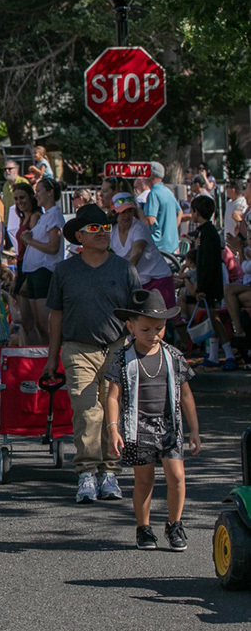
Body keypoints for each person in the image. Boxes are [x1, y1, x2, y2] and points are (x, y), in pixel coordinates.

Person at [44, 203, 141, 504]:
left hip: (117, 348)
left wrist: (140, 351)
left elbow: (138, 315)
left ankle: (109, 471)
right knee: (87, 410)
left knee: (112, 413)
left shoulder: (125, 268)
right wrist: (51, 358)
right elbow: (55, 316)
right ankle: (87, 471)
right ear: (80, 237)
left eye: (106, 228)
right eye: (95, 229)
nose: (103, 233)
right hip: (77, 349)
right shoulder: (64, 270)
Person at [104, 289, 201, 551]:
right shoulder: (123, 358)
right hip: (138, 428)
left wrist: (194, 429)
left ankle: (175, 524)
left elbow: (186, 394)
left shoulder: (173, 356)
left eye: (158, 329)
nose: (153, 335)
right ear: (130, 326)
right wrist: (113, 429)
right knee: (144, 480)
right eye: (145, 329)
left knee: (177, 476)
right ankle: (144, 529)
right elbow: (113, 396)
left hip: (170, 426)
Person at [185, 195, 235, 370]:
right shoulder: (208, 232)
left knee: (214, 318)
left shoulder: (207, 234)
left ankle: (228, 354)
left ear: (197, 212)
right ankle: (213, 354)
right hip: (212, 284)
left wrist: (202, 287)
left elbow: (206, 264)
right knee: (211, 319)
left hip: (210, 286)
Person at [17, 177, 64, 345]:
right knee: (38, 324)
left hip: (45, 272)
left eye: (38, 192)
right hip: (34, 273)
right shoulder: (45, 216)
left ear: (50, 192)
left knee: (47, 324)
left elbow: (53, 247)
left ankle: (54, 360)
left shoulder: (54, 215)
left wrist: (29, 241)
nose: (35, 196)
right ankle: (46, 360)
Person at [142, 163, 181, 255]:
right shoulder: (168, 192)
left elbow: (150, 219)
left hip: (159, 247)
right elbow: (180, 212)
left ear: (152, 175)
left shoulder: (153, 194)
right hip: (172, 246)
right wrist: (172, 230)